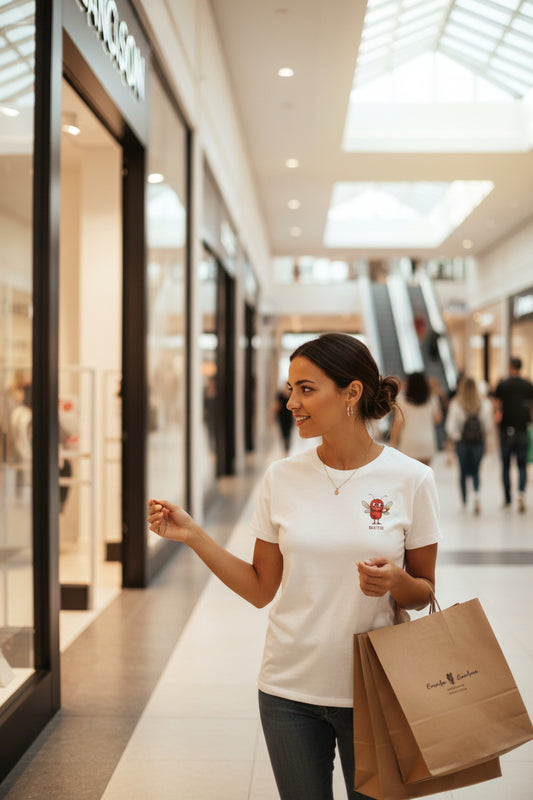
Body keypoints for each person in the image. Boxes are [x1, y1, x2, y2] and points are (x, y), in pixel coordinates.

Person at [147, 333, 440, 800]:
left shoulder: (412, 479)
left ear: (351, 393)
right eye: (291, 389)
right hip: (288, 691)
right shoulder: (281, 477)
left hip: (375, 692)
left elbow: (424, 593)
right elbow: (262, 588)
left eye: (306, 389)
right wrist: (193, 535)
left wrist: (397, 580)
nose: (291, 403)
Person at [445, 377, 494, 514]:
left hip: (462, 442)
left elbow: (450, 426)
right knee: (476, 470)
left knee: (462, 471)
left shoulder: (456, 403)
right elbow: (488, 425)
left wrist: (456, 437)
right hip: (478, 442)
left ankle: (464, 501)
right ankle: (477, 495)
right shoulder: (484, 403)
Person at [492, 357, 533, 512]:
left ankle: (508, 499)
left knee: (506, 466)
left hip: (506, 430)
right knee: (522, 465)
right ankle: (521, 494)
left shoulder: (503, 385)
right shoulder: (528, 385)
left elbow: (496, 407)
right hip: (523, 429)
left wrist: (497, 422)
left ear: (510, 367)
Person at [389, 371, 442, 465]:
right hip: (427, 442)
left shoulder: (402, 401)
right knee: (424, 475)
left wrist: (393, 442)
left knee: (410, 475)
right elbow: (438, 419)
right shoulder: (432, 400)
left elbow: (398, 423)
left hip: (409, 442)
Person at [271, 384, 294, 453]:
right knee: (283, 432)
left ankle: (287, 448)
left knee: (289, 432)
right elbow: (276, 406)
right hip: (281, 417)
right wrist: (271, 416)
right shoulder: (280, 395)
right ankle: (284, 447)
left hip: (289, 417)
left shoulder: (292, 395)